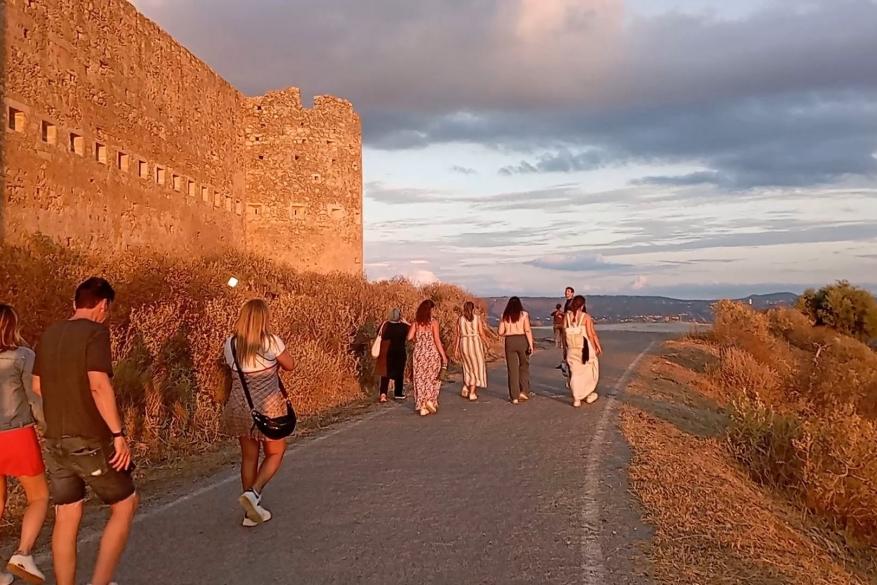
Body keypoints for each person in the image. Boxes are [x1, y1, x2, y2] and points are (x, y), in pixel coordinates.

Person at [32, 277, 137, 585]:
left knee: (66, 514)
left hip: (54, 440)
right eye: (108, 309)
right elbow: (98, 384)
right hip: (89, 437)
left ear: (74, 302)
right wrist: (118, 435)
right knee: (125, 503)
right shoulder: (95, 333)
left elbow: (37, 386)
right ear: (103, 305)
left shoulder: (49, 334)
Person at [222, 299, 294, 527]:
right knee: (275, 453)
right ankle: (254, 493)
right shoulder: (271, 342)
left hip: (239, 406)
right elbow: (290, 365)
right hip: (268, 406)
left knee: (249, 457)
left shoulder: (231, 343)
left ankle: (250, 513)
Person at [0, 305, 48, 585]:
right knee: (39, 497)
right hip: (17, 434)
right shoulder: (22, 356)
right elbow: (35, 398)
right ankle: (22, 553)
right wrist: (49, 429)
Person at [407, 300, 448, 416]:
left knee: (420, 379)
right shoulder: (434, 323)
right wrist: (443, 356)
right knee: (433, 377)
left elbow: (409, 337)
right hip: (431, 353)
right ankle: (430, 399)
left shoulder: (416, 323)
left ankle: (422, 405)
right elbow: (437, 340)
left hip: (419, 353)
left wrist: (417, 338)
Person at [564, 295, 603, 407]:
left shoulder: (567, 317)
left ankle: (577, 398)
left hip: (571, 348)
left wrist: (565, 349)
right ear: (582, 305)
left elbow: (563, 333)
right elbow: (591, 334)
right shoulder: (585, 317)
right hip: (584, 349)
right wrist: (597, 346)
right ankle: (588, 393)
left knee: (575, 373)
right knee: (591, 370)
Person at [498, 297, 535, 404]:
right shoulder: (524, 315)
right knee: (524, 366)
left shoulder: (504, 316)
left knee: (512, 369)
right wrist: (531, 345)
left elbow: (500, 332)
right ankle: (524, 391)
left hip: (510, 341)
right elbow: (527, 330)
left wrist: (508, 333)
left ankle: (514, 396)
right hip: (522, 339)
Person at [453, 301, 488, 401]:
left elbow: (458, 335)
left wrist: (456, 349)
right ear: (473, 309)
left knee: (467, 366)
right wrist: (486, 342)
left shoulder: (460, 319)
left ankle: (465, 385)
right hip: (475, 344)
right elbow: (481, 333)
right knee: (476, 367)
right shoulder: (477, 319)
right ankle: (472, 392)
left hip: (464, 344)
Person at [375, 308, 410, 403]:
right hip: (399, 351)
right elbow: (412, 333)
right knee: (399, 372)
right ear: (400, 316)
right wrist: (406, 322)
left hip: (386, 352)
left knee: (385, 374)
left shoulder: (385, 325)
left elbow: (378, 333)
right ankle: (398, 393)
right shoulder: (403, 326)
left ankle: (383, 394)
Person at [558, 286, 575, 369]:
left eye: (568, 291)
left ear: (572, 293)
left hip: (571, 327)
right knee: (565, 345)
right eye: (566, 291)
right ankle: (565, 361)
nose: (566, 293)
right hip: (566, 326)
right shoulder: (567, 302)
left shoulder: (573, 302)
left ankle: (567, 361)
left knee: (568, 344)